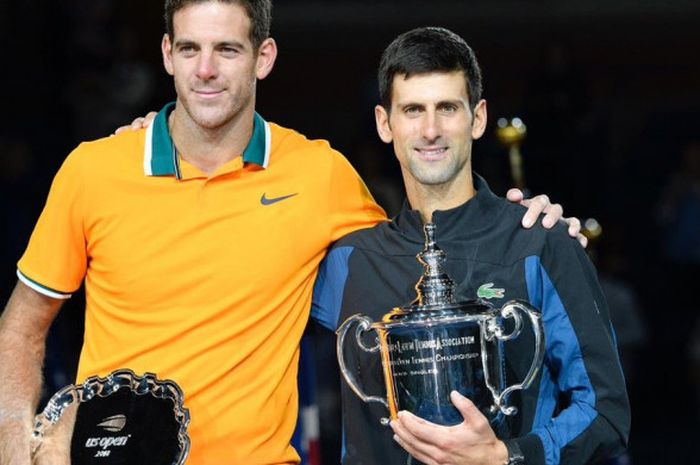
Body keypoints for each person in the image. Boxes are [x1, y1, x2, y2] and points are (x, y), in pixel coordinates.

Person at [0, 2, 580, 465]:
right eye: (190, 49)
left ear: (264, 56)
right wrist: (15, 446)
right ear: (167, 56)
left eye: (227, 49)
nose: (206, 70)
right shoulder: (92, 170)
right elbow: (23, 324)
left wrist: (525, 227)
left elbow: (424, 259)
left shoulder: (318, 175)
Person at [311, 27, 630, 465]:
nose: (430, 130)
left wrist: (507, 457)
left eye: (447, 108)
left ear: (477, 118)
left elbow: (605, 414)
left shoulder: (541, 244)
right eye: (412, 110)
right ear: (385, 124)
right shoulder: (347, 262)